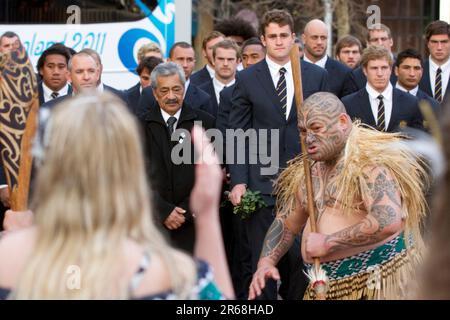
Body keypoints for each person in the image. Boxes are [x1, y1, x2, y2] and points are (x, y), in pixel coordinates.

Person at [0, 92, 233, 299]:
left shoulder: (7, 259)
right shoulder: (173, 274)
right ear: (133, 169)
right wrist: (207, 215)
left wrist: (19, 243)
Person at [249, 92, 429, 300]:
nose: (308, 138)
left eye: (317, 128)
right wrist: (266, 262)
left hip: (378, 282)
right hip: (328, 286)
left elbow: (387, 219)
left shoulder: (369, 163)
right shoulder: (308, 173)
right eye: (303, 131)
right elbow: (288, 223)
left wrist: (329, 242)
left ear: (343, 122)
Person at [228, 9, 328, 300]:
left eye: (284, 36)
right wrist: (239, 182)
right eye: (273, 36)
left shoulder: (316, 76)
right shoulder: (247, 79)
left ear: (294, 38)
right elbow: (237, 134)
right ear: (263, 40)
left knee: (301, 265)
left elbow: (324, 131)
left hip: (305, 187)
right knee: (263, 266)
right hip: (262, 189)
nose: (279, 41)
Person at [139, 62, 215, 254]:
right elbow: (134, 177)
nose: (171, 96)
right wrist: (163, 211)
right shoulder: (138, 127)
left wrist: (186, 211)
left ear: (184, 89)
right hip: (153, 226)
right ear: (155, 93)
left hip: (194, 225)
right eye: (164, 90)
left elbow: (211, 173)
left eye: (176, 89)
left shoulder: (205, 123)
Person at [342, 45, 424, 132]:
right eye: (374, 68)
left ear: (391, 69)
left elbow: (417, 140)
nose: (379, 73)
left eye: (384, 68)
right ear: (365, 71)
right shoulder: (349, 104)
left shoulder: (411, 102)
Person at [342, 23, 397, 96]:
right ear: (368, 43)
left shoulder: (404, 67)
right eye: (375, 40)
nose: (380, 43)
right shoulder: (356, 75)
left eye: (383, 39)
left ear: (391, 41)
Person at [302, 19, 352, 98]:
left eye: (323, 38)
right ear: (304, 39)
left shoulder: (344, 73)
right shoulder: (291, 69)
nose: (319, 42)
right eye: (314, 37)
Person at [394, 49, 441, 119]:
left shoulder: (433, 105)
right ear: (396, 71)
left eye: (416, 68)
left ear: (421, 72)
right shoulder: (382, 100)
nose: (412, 74)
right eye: (406, 68)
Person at [199, 39, 240, 117]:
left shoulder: (247, 91)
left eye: (230, 59)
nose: (225, 64)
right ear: (213, 60)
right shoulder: (199, 92)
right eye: (221, 59)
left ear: (238, 62)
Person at [419, 20, 450, 105]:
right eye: (434, 42)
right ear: (428, 43)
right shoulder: (416, 70)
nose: (439, 47)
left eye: (444, 42)